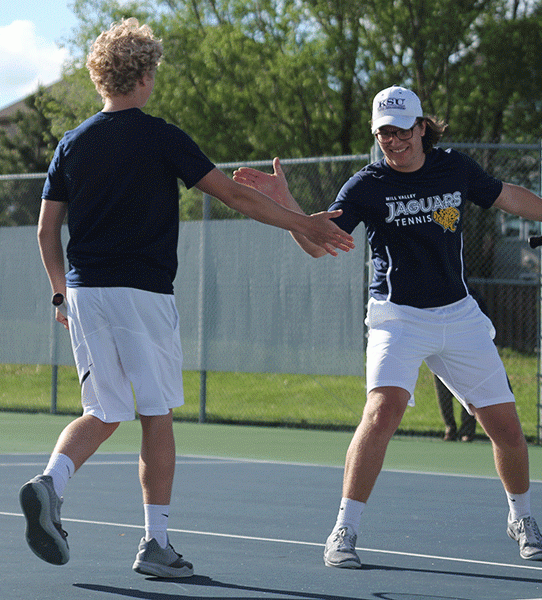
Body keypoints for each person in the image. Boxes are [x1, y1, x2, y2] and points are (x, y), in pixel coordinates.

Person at [19, 18, 353, 578]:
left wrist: (60, 295)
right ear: (146, 77)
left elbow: (45, 232)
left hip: (84, 294)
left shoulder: (71, 144)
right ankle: (155, 544)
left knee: (101, 410)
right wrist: (305, 224)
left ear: (100, 77)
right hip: (142, 296)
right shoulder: (163, 137)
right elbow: (235, 196)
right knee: (156, 415)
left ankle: (50, 483)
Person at [233, 85, 542, 568]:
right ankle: (344, 529)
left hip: (459, 314)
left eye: (403, 130)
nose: (394, 140)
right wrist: (289, 209)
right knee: (382, 412)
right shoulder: (365, 186)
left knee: (507, 429)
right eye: (384, 132)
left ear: (421, 127)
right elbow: (319, 245)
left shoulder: (455, 167)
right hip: (397, 316)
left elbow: (509, 196)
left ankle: (521, 518)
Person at [433, 373, 476, 442]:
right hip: (441, 365)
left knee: (467, 395)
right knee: (443, 396)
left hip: (464, 366)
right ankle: (450, 429)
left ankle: (467, 431)